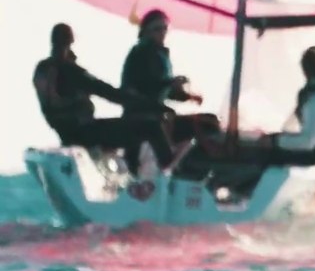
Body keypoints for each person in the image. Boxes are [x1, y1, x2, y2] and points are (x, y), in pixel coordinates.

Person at [32, 23, 177, 175]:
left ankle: (132, 172)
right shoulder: (69, 70)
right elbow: (110, 93)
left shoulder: (41, 70)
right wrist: (156, 106)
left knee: (131, 127)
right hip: (86, 133)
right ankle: (170, 174)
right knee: (151, 127)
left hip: (66, 134)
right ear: (70, 42)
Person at [119, 9, 220, 146]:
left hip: (156, 116)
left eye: (165, 28)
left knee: (208, 122)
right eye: (157, 29)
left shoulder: (159, 54)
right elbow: (145, 86)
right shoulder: (141, 52)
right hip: (143, 120)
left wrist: (188, 96)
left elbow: (164, 91)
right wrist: (171, 83)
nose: (162, 32)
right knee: (209, 124)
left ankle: (174, 156)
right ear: (146, 31)